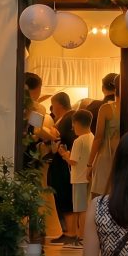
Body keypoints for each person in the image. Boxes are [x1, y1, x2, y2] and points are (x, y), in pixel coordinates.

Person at [47, 92, 76, 243]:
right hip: (62, 164)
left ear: (58, 104)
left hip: (64, 164)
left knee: (64, 196)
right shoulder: (67, 118)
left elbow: (61, 138)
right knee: (63, 197)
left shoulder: (67, 119)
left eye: (54, 105)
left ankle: (71, 232)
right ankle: (68, 231)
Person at [87, 73, 120, 196]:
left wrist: (89, 164)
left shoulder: (107, 108)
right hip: (124, 156)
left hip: (106, 156)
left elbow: (98, 137)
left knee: (100, 198)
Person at [67, 109, 94, 244]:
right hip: (89, 177)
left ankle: (81, 236)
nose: (73, 127)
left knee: (80, 209)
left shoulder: (78, 141)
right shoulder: (92, 137)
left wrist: (64, 155)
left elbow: (73, 161)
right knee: (86, 207)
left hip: (78, 178)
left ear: (76, 123)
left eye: (73, 124)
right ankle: (83, 235)